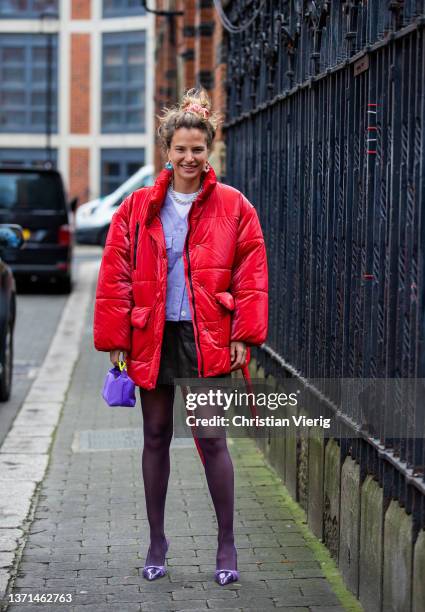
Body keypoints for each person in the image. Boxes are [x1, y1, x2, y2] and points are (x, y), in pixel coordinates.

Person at [93, 87, 268, 586]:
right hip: (153, 335)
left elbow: (251, 271)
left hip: (207, 336)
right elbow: (115, 275)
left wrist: (245, 334)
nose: (189, 158)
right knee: (154, 436)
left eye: (198, 149)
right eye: (181, 149)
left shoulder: (234, 206)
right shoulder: (136, 208)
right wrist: (117, 337)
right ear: (166, 150)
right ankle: (156, 541)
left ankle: (227, 544)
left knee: (212, 438)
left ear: (208, 150)